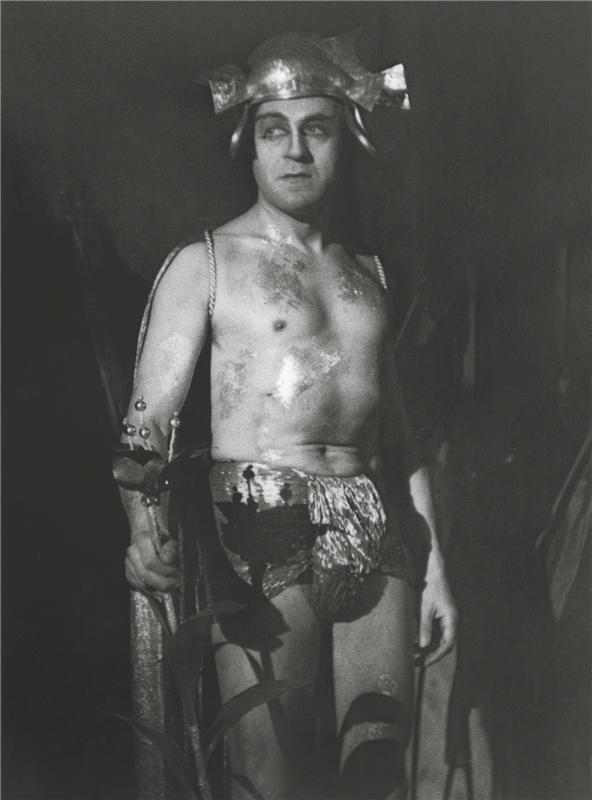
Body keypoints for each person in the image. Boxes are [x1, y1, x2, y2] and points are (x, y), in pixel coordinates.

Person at [118, 32, 457, 800]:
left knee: (376, 774)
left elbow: (399, 434)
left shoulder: (369, 273)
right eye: (275, 131)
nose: (296, 151)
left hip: (375, 524)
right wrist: (143, 525)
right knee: (269, 780)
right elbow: (146, 423)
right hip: (261, 521)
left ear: (347, 140)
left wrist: (435, 570)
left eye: (317, 129)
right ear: (250, 144)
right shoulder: (206, 263)